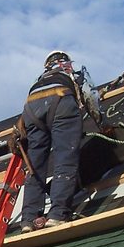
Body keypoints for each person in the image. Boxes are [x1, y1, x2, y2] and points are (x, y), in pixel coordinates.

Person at [18, 50, 88, 233]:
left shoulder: (40, 77)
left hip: (31, 109)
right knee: (65, 157)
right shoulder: (71, 71)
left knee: (35, 166)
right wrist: (102, 122)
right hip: (60, 100)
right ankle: (58, 214)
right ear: (66, 61)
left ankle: (28, 219)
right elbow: (90, 97)